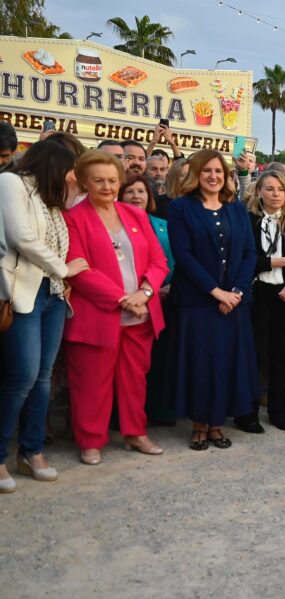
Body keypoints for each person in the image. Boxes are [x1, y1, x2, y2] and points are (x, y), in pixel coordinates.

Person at [62, 151, 169, 464]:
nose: (107, 187)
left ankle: (135, 433)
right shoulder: (73, 218)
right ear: (85, 182)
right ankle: (90, 440)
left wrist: (144, 293)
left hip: (140, 315)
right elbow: (78, 269)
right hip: (97, 317)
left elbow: (158, 261)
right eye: (99, 181)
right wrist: (124, 299)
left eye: (112, 180)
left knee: (135, 379)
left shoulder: (135, 215)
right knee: (91, 383)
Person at [0, 140, 89, 492]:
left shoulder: (52, 198)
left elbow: (61, 233)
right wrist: (63, 270)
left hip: (52, 295)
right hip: (22, 293)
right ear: (54, 164)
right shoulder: (11, 183)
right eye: (71, 170)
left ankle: (32, 452)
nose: (74, 177)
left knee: (42, 378)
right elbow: (21, 237)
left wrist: (61, 278)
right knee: (21, 376)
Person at [166, 149, 259, 450]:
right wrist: (216, 292)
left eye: (218, 171)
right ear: (196, 174)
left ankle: (217, 424)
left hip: (234, 303)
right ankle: (199, 425)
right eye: (206, 170)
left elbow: (249, 253)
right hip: (197, 302)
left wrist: (237, 292)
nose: (213, 176)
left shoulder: (237, 209)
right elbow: (183, 255)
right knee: (201, 364)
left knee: (226, 363)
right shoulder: (180, 208)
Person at [242, 169, 285, 431]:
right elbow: (247, 262)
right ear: (259, 192)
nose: (276, 194)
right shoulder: (248, 222)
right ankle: (248, 413)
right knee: (255, 355)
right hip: (258, 294)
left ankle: (278, 410)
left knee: (280, 357)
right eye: (270, 189)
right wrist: (281, 261)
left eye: (281, 189)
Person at [118, 174, 176, 426]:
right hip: (126, 302)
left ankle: (155, 409)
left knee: (158, 360)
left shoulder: (163, 226)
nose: (136, 196)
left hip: (163, 299)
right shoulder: (112, 225)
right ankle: (120, 416)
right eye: (129, 191)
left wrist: (165, 288)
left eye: (141, 191)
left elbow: (174, 261)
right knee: (125, 366)